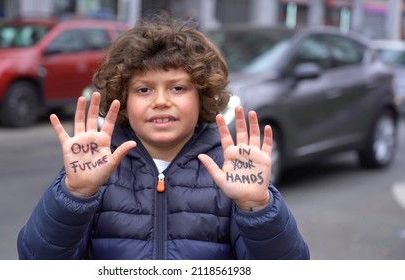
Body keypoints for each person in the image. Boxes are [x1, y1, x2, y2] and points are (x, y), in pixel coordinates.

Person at [17, 14, 310, 260]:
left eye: (177, 88)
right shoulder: (95, 167)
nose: (160, 101)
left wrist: (257, 207)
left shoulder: (229, 172)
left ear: (203, 96)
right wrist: (75, 194)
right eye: (144, 89)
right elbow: (37, 259)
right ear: (123, 98)